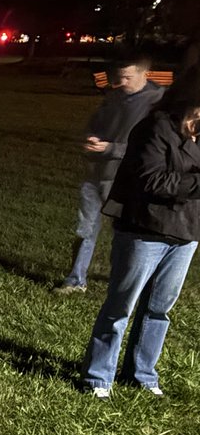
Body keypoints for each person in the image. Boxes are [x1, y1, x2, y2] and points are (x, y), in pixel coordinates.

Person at [80, 72, 200, 398]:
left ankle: (142, 374)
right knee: (121, 306)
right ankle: (97, 377)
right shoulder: (156, 127)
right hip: (144, 230)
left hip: (187, 233)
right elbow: (152, 181)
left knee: (159, 309)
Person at [57, 55, 164, 293]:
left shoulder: (157, 103)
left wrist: (112, 148)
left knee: (125, 235)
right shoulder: (114, 96)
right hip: (96, 175)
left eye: (128, 77)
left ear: (144, 73)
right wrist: (91, 138)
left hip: (126, 181)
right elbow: (96, 123)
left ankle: (125, 281)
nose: (123, 82)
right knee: (85, 229)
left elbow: (150, 148)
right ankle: (76, 280)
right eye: (120, 77)